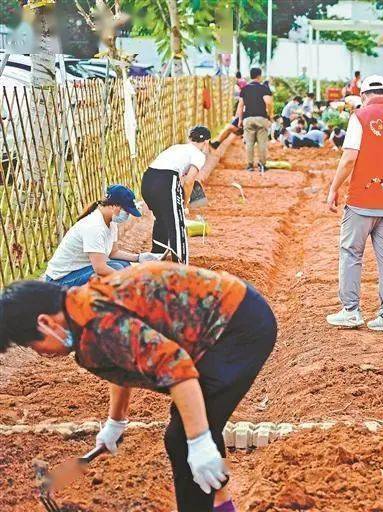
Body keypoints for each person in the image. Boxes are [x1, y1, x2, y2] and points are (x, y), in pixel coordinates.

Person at [0, 262, 278, 511]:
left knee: (184, 437)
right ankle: (221, 504)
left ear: (46, 322)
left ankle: (212, 503)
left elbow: (178, 368)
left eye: (31, 344)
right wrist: (115, 421)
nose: (38, 352)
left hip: (237, 327)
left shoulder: (100, 322)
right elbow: (123, 360)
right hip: (220, 320)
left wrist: (199, 442)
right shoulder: (82, 308)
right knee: (194, 425)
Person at [325, 75, 383, 332]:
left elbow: (348, 159)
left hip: (362, 201)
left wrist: (334, 188)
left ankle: (351, 311)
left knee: (351, 253)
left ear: (364, 95)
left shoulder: (361, 117)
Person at [43, 185, 158, 286]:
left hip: (79, 271)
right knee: (116, 271)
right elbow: (100, 269)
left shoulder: (111, 223)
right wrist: (127, 281)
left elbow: (113, 252)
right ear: (114, 206)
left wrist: (139, 258)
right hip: (60, 280)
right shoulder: (94, 227)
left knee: (124, 265)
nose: (127, 215)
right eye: (126, 211)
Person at [142, 125, 210, 265]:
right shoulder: (199, 154)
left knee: (161, 219)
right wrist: (184, 205)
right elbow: (189, 181)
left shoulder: (176, 148)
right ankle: (180, 266)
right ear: (206, 142)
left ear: (189, 138)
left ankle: (157, 258)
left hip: (147, 181)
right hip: (166, 180)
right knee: (177, 225)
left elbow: (180, 177)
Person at [237, 67, 273, 173]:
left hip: (248, 118)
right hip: (261, 118)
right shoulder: (264, 88)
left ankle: (250, 165)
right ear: (259, 76)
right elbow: (269, 102)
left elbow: (240, 106)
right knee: (262, 143)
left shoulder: (244, 89)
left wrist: (240, 120)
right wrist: (270, 115)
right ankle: (262, 164)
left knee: (249, 143)